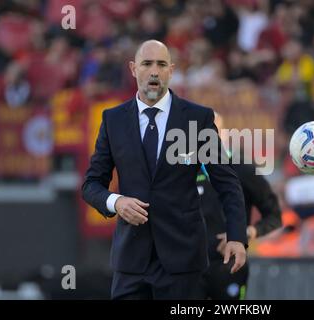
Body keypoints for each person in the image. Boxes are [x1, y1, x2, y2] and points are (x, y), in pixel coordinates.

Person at [81, 40, 248, 300]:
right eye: (147, 64)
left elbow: (227, 183)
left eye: (161, 64)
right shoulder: (112, 120)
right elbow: (91, 184)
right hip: (131, 262)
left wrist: (237, 236)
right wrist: (117, 202)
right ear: (133, 69)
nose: (154, 72)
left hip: (183, 263)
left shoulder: (197, 118)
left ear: (171, 70)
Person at [197, 112, 282, 299]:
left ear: (224, 134)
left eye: (213, 131)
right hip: (187, 269)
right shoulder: (182, 171)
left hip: (229, 267)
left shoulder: (242, 169)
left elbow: (274, 216)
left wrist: (243, 234)